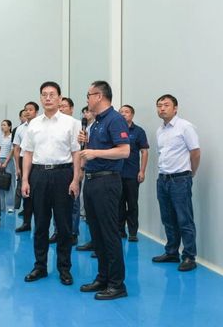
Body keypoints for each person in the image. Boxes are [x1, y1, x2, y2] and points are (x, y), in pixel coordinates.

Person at [21, 82, 80, 286]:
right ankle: (40, 266)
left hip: (63, 174)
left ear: (59, 98)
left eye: (52, 94)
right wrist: (25, 179)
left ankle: (64, 268)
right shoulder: (33, 124)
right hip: (39, 175)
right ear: (40, 98)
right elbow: (28, 153)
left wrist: (75, 179)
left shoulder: (72, 123)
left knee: (64, 225)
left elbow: (76, 153)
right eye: (44, 94)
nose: (48, 98)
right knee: (40, 224)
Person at [79, 81, 130, 300]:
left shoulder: (115, 119)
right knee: (97, 233)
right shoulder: (96, 122)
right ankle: (103, 277)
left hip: (107, 181)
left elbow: (124, 151)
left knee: (109, 233)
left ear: (99, 96)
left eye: (89, 95)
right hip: (92, 180)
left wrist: (95, 153)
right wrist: (87, 144)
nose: (87, 99)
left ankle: (117, 284)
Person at [152, 94, 201, 272]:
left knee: (184, 219)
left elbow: (195, 152)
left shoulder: (185, 127)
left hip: (180, 179)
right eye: (159, 105)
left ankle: (189, 256)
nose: (162, 108)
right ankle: (172, 252)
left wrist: (190, 173)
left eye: (166, 105)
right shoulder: (160, 130)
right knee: (168, 219)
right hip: (163, 179)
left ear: (175, 108)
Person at [49, 97, 80, 246]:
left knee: (73, 203)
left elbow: (80, 150)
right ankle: (57, 231)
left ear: (71, 109)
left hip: (72, 168)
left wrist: (79, 171)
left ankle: (72, 233)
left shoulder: (77, 124)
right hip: (57, 169)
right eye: (59, 106)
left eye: (64, 106)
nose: (61, 109)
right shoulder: (53, 125)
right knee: (56, 202)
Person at [118, 105, 149, 242]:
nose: (124, 114)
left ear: (132, 114)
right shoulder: (116, 129)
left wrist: (142, 171)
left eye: (127, 112)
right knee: (118, 204)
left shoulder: (139, 131)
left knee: (132, 204)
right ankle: (120, 230)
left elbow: (144, 151)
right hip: (117, 173)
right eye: (121, 112)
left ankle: (132, 232)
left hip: (132, 174)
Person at [13, 101, 39, 233]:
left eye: (30, 109)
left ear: (36, 112)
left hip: (38, 162)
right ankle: (26, 223)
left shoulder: (41, 125)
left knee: (39, 194)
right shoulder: (20, 129)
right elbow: (17, 149)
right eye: (26, 109)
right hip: (24, 161)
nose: (27, 112)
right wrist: (18, 167)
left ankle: (40, 225)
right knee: (26, 194)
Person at [75, 105, 96, 252]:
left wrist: (82, 168)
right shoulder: (85, 129)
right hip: (88, 170)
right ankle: (93, 241)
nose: (85, 114)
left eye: (87, 111)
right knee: (90, 209)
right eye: (83, 112)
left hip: (100, 173)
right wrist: (82, 168)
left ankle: (100, 246)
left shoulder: (99, 126)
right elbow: (82, 150)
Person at [0, 119, 15, 212]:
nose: (2, 127)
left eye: (4, 125)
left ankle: (10, 206)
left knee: (9, 184)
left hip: (8, 161)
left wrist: (5, 163)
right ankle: (1, 206)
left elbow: (12, 151)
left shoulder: (12, 137)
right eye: (2, 125)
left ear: (9, 127)